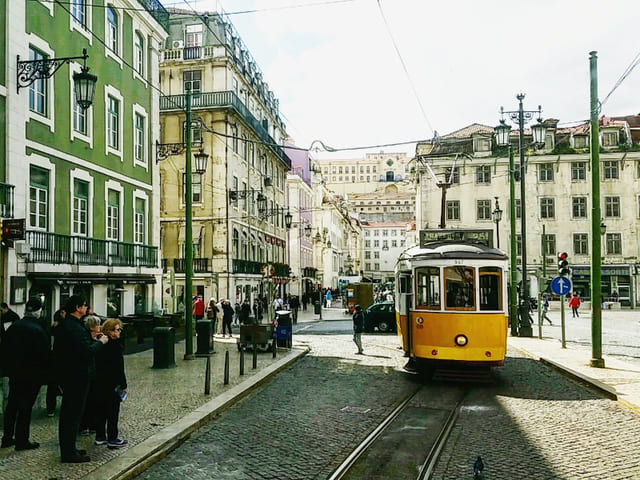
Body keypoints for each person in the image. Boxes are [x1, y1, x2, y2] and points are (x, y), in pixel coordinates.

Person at [53, 295, 108, 463]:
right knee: (72, 414)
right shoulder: (74, 327)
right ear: (78, 308)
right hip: (77, 376)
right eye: (84, 306)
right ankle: (69, 453)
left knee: (72, 414)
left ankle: (71, 448)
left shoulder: (69, 325)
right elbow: (85, 352)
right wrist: (100, 343)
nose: (86, 308)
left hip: (71, 375)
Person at [0, 297, 50, 451]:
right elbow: (44, 355)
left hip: (15, 373)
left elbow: (5, 349)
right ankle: (22, 440)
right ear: (38, 311)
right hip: (31, 375)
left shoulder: (15, 327)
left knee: (12, 405)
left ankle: (7, 437)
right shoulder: (38, 330)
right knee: (25, 408)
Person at [94, 318, 128, 449]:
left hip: (99, 382)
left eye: (119, 329)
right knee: (113, 411)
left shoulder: (100, 344)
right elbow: (119, 368)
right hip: (112, 383)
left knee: (101, 410)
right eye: (116, 330)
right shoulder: (115, 347)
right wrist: (123, 384)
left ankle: (100, 436)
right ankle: (112, 437)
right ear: (109, 331)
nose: (118, 332)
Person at [79, 315, 103, 435]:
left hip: (94, 373)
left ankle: (93, 423)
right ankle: (84, 425)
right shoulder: (88, 339)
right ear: (93, 327)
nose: (100, 327)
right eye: (98, 324)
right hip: (88, 373)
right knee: (88, 400)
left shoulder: (94, 338)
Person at [46, 309, 65, 417]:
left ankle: (50, 408)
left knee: (52, 385)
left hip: (53, 359)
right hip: (61, 359)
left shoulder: (52, 328)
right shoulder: (62, 328)